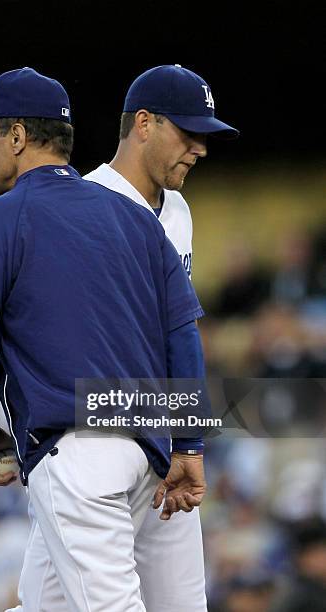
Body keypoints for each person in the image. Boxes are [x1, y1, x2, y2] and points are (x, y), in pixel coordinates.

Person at [0, 67, 206, 612]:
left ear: (16, 136)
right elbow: (183, 336)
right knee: (44, 606)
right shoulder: (136, 218)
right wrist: (189, 443)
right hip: (147, 451)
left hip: (78, 451)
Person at [83, 65, 239, 611]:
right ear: (143, 123)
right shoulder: (83, 205)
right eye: (188, 133)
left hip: (163, 440)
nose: (199, 148)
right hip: (96, 439)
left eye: (206, 136)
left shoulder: (178, 209)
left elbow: (177, 331)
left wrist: (186, 438)